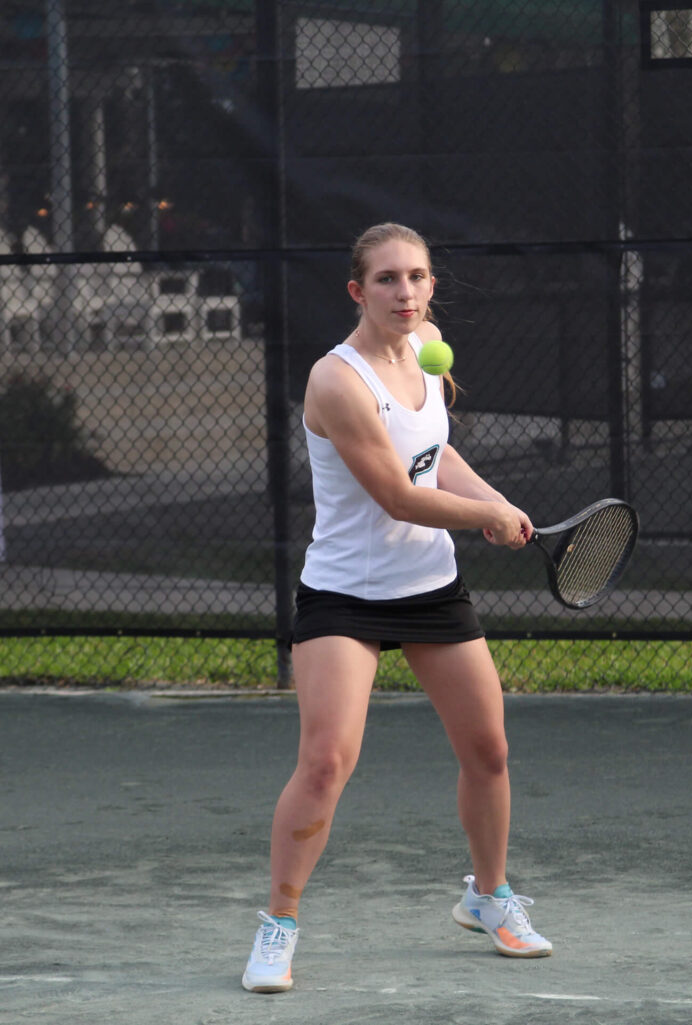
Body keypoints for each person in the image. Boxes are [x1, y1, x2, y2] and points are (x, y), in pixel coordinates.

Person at [241, 222, 553, 994]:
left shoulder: (426, 348)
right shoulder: (336, 380)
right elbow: (396, 493)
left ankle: (488, 896)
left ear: (430, 286)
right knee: (326, 761)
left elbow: (433, 451)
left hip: (430, 588)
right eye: (386, 279)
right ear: (358, 290)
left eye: (416, 277)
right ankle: (278, 923)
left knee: (489, 749)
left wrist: (497, 498)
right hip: (344, 593)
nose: (405, 292)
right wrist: (483, 519)